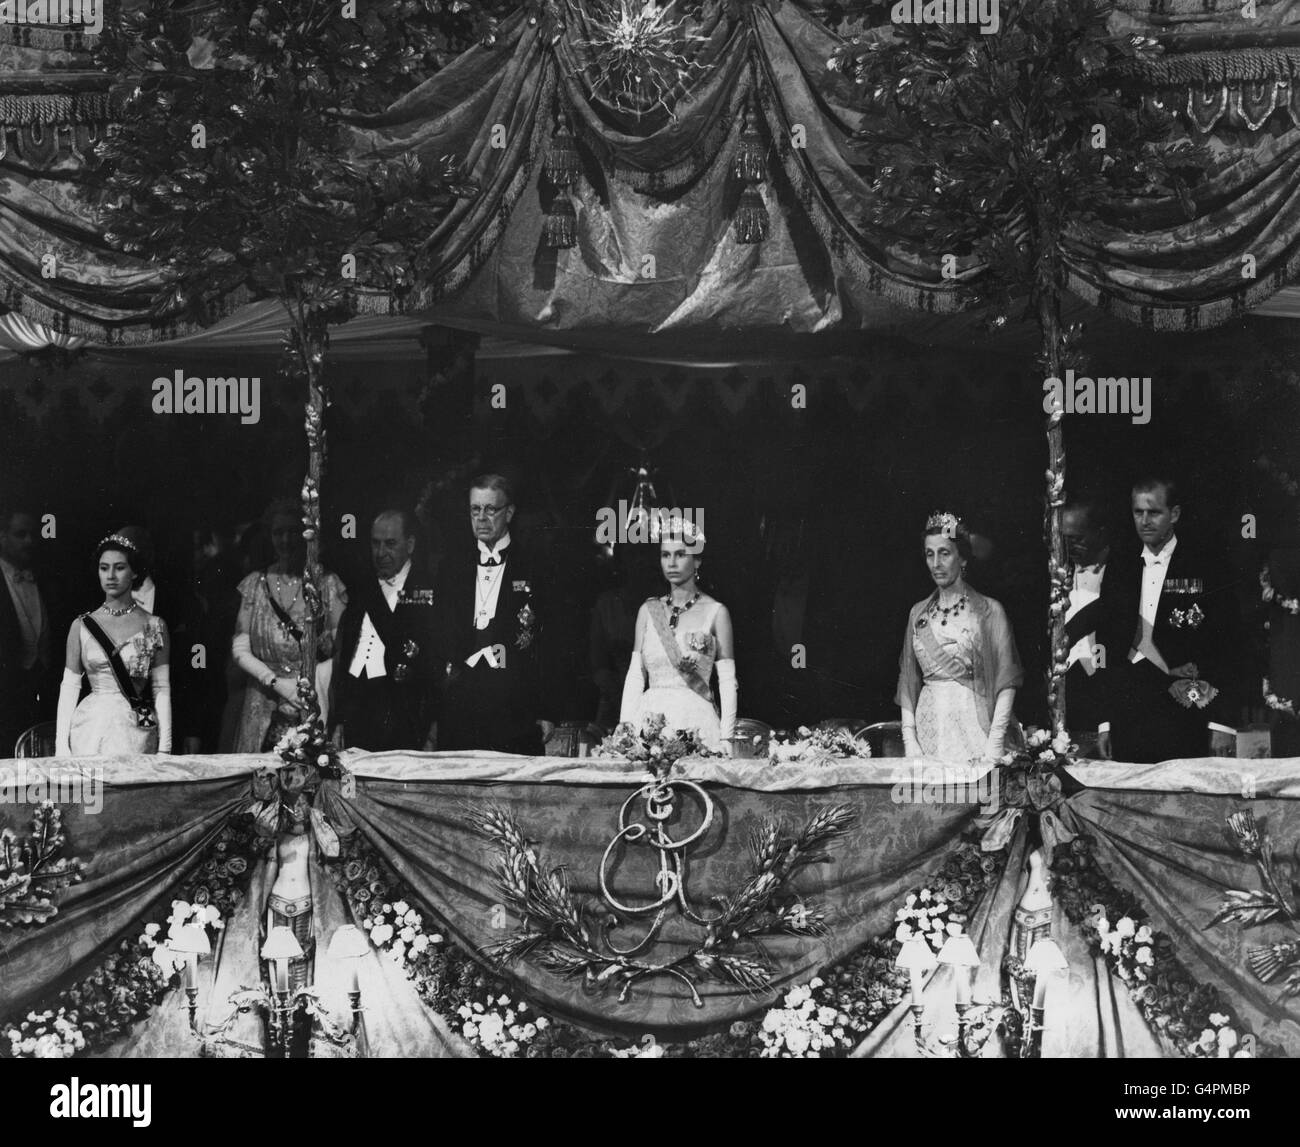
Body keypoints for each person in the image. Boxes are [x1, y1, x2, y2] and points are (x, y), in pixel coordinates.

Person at [1102, 476, 1241, 763]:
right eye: (1138, 512)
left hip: (1185, 710)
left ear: (1174, 514)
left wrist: (1222, 723)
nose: (1144, 521)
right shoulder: (1120, 565)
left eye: (1154, 512)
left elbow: (1229, 644)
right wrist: (1105, 722)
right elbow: (1109, 644)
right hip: (1129, 708)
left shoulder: (1206, 564)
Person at [434, 474, 552, 755]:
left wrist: (547, 708)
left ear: (509, 512)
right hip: (460, 702)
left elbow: (551, 642)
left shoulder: (535, 565)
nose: (482, 518)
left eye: (490, 509)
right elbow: (438, 635)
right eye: (475, 509)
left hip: (515, 703)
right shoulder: (451, 566)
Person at [896, 511, 1023, 761]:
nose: (936, 563)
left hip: (977, 728)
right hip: (930, 727)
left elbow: (1006, 679)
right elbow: (908, 681)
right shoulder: (918, 613)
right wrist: (909, 739)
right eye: (929, 554)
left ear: (962, 558)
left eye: (945, 553)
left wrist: (995, 742)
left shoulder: (989, 611)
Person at [230, 499, 347, 753]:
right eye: (278, 532)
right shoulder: (255, 585)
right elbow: (240, 649)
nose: (286, 540)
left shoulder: (327, 584)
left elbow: (342, 647)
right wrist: (277, 684)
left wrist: (311, 684)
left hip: (313, 700)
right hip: (263, 700)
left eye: (293, 532)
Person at [619, 516, 737, 754]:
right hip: (647, 723)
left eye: (681, 554)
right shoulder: (648, 610)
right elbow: (635, 676)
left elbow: (727, 681)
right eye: (665, 555)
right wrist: (625, 727)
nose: (671, 563)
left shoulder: (716, 612)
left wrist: (727, 738)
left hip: (696, 724)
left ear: (697, 560)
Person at [332, 510, 441, 751]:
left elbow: (437, 668)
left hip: (406, 716)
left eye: (390, 544)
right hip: (359, 711)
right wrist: (338, 719)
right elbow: (344, 658)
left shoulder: (431, 590)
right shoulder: (361, 587)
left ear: (410, 545)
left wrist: (433, 725)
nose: (381, 553)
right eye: (375, 544)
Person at [55, 533, 172, 757]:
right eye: (103, 568)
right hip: (90, 727)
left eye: (119, 568)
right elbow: (70, 688)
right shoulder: (82, 626)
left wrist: (165, 748)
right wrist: (62, 746)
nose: (110, 576)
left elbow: (161, 688)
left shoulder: (155, 625)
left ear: (134, 571)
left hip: (135, 730)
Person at [111, 524, 205, 754]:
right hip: (115, 723)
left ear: (149, 555)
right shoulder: (99, 603)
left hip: (170, 723)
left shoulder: (181, 601)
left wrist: (193, 729)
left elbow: (195, 671)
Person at [1060, 497, 1129, 756]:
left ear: (1100, 533)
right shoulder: (1056, 571)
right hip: (1068, 697)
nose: (1071, 546)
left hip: (1108, 694)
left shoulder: (1123, 573)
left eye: (1078, 538)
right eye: (1065, 539)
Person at [0, 508, 58, 756]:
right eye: (20, 534)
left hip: (43, 693)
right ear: (2, 537)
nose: (29, 541)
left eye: (32, 535)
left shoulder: (46, 578)